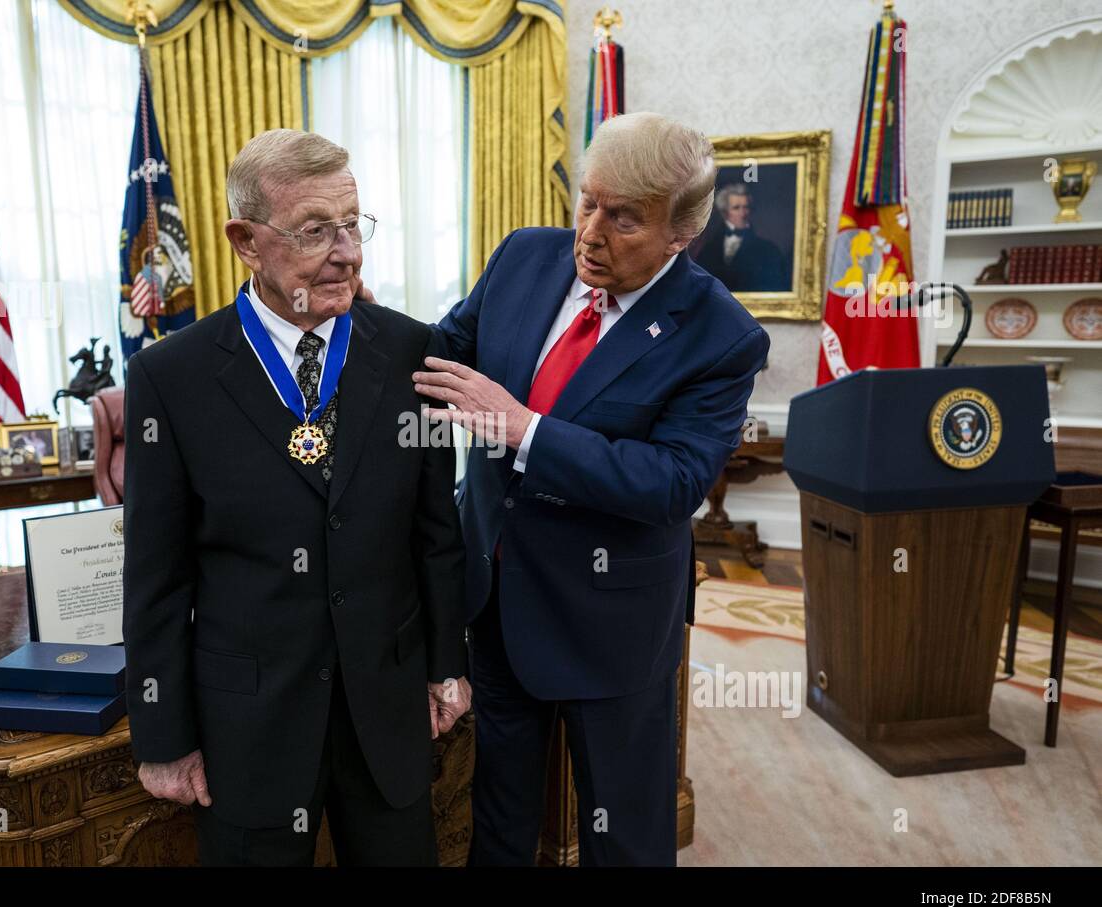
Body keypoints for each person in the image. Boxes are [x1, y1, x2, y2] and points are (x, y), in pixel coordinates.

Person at [413, 112, 770, 866]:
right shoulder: (523, 259)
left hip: (611, 626)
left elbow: (672, 482)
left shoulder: (722, 334)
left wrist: (525, 430)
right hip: (499, 600)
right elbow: (441, 353)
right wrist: (357, 318)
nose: (590, 233)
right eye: (587, 202)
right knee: (501, 815)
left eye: (624, 219)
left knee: (625, 831)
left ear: (682, 233)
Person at [122, 129, 470, 866]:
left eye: (353, 223)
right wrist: (162, 734)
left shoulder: (413, 352)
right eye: (316, 230)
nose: (348, 252)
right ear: (246, 240)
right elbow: (157, 576)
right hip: (248, 722)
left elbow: (436, 533)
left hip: (388, 705)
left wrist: (446, 662)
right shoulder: (171, 377)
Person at [694, 182, 789, 291]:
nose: (743, 213)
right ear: (724, 213)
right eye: (736, 208)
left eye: (746, 207)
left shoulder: (769, 250)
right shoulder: (708, 250)